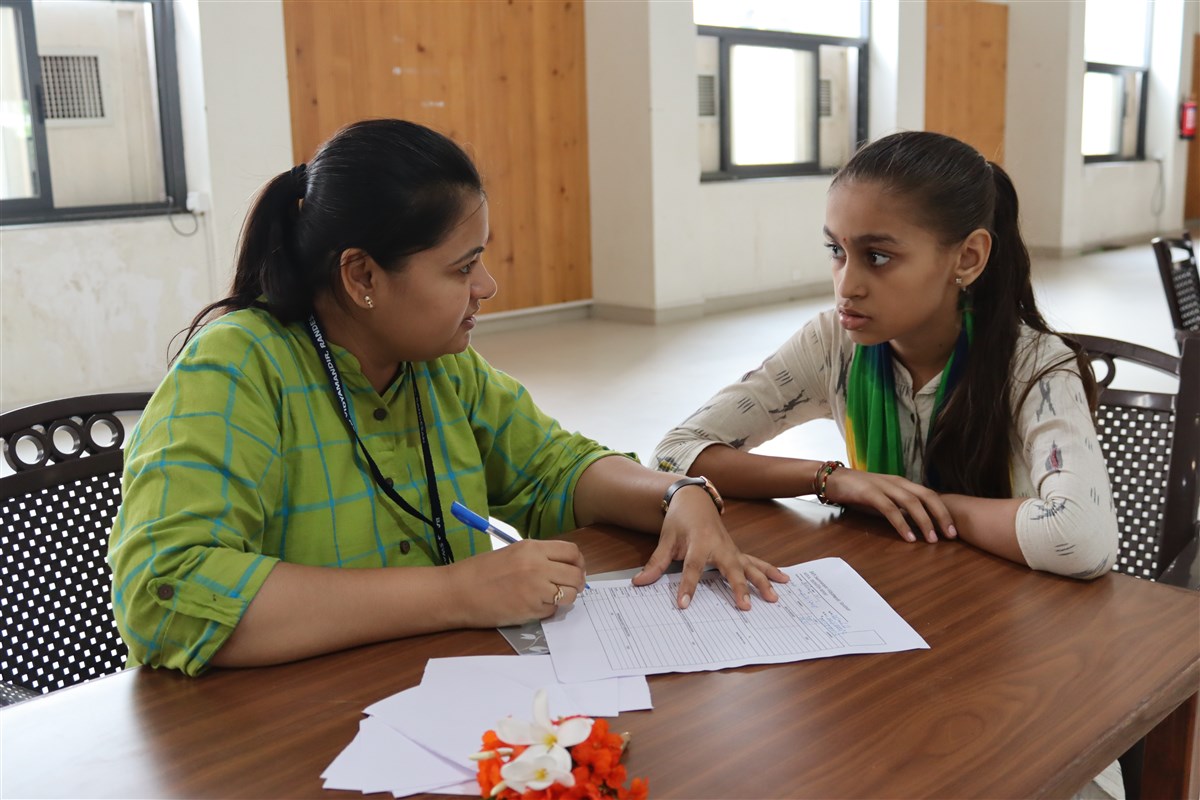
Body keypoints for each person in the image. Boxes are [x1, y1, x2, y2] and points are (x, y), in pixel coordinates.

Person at [109, 119, 787, 676]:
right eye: (463, 268)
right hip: (280, 730)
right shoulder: (236, 367)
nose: (487, 286)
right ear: (362, 276)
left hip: (428, 692)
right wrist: (455, 593)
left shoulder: (441, 369)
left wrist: (676, 495)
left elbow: (554, 467)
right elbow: (166, 593)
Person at [654, 130, 1119, 582]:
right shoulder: (831, 343)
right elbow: (676, 454)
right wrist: (831, 480)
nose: (846, 285)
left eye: (877, 257)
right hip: (896, 589)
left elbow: (1080, 540)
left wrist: (926, 504)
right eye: (836, 250)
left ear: (968, 258)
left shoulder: (1035, 366)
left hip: (1017, 610)